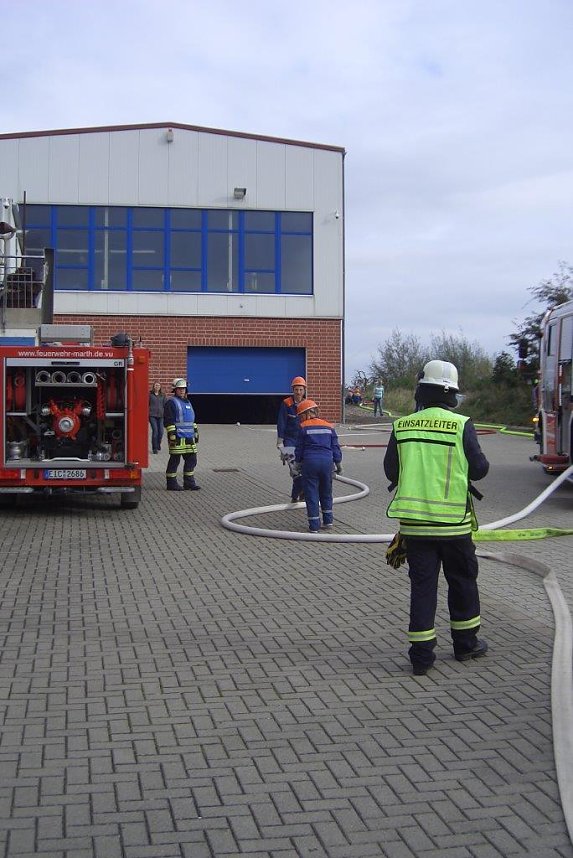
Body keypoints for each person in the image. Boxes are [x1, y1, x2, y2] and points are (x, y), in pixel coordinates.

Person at [383, 359, 489, 676]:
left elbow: (391, 471)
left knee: (423, 589)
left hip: (415, 527)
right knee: (462, 582)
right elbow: (480, 469)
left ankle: (421, 657)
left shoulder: (402, 425)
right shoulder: (461, 424)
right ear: (451, 394)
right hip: (453, 526)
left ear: (422, 389)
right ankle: (466, 645)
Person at [293, 399, 342, 533]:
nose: (300, 419)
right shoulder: (328, 426)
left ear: (306, 414)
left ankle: (314, 526)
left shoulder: (303, 428)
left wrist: (296, 465)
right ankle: (328, 521)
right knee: (326, 492)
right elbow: (335, 447)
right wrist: (338, 464)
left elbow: (299, 449)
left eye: (301, 416)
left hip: (310, 464)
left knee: (312, 494)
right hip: (327, 463)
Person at [163, 378, 200, 491]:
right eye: (179, 389)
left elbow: (191, 420)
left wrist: (196, 432)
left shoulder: (187, 402)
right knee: (175, 460)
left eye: (183, 389)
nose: (182, 391)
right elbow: (168, 420)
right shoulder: (171, 402)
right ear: (175, 390)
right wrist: (172, 434)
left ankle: (189, 483)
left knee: (192, 460)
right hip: (178, 438)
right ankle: (171, 483)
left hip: (189, 438)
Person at [276, 376, 307, 502]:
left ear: (304, 390)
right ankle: (298, 495)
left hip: (303, 441)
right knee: (294, 471)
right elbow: (281, 422)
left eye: (300, 389)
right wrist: (280, 440)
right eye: (296, 389)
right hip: (289, 441)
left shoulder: (307, 404)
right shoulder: (286, 404)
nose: (298, 392)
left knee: (304, 471)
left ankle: (298, 495)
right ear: (292, 390)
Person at [148, 382, 166, 453]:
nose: (157, 386)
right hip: (152, 415)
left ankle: (158, 444)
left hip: (161, 416)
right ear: (153, 387)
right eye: (156, 385)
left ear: (160, 387)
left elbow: (165, 405)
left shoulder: (163, 395)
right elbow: (147, 404)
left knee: (161, 432)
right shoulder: (150, 395)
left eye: (158, 385)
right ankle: (154, 448)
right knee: (155, 431)